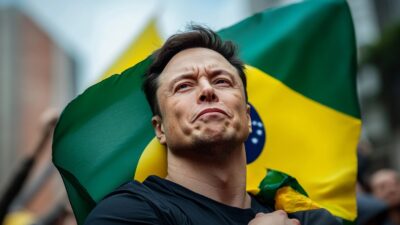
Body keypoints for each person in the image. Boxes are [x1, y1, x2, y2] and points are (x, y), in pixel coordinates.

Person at [84, 26, 341, 225]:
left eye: (221, 81)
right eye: (184, 85)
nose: (207, 90)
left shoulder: (307, 218)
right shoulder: (129, 212)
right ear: (159, 129)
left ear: (249, 118)